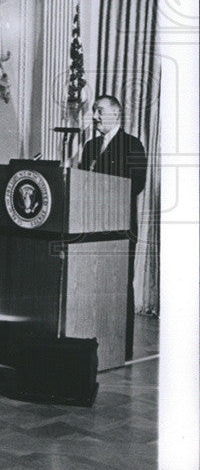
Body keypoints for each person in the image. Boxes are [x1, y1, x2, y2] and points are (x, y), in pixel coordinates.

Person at [78, 94, 148, 359]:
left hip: (119, 230)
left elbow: (136, 184)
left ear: (116, 114)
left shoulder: (132, 145)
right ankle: (91, 346)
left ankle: (121, 347)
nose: (94, 116)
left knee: (119, 287)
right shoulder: (91, 145)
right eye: (94, 111)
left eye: (100, 111)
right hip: (89, 228)